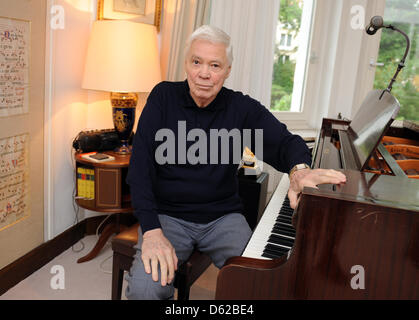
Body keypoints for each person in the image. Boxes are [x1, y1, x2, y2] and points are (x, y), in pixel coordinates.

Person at [125, 25, 346, 300]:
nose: (204, 73)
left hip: (222, 218)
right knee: (145, 291)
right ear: (186, 63)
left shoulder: (241, 108)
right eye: (197, 62)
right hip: (167, 217)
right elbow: (139, 170)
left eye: (215, 65)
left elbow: (287, 142)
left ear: (228, 70)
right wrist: (153, 231)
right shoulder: (162, 98)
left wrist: (300, 171)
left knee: (262, 284)